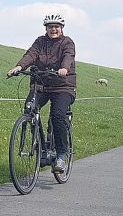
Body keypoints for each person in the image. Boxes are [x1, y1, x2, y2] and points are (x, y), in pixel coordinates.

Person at [7, 13, 76, 174]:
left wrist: (64, 68)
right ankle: (41, 147)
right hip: (41, 85)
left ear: (61, 29)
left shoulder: (67, 42)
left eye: (56, 27)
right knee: (29, 109)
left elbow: (68, 56)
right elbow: (31, 54)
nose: (53, 29)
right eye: (50, 27)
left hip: (63, 86)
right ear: (46, 28)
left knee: (57, 115)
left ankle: (61, 155)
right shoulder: (40, 41)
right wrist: (19, 67)